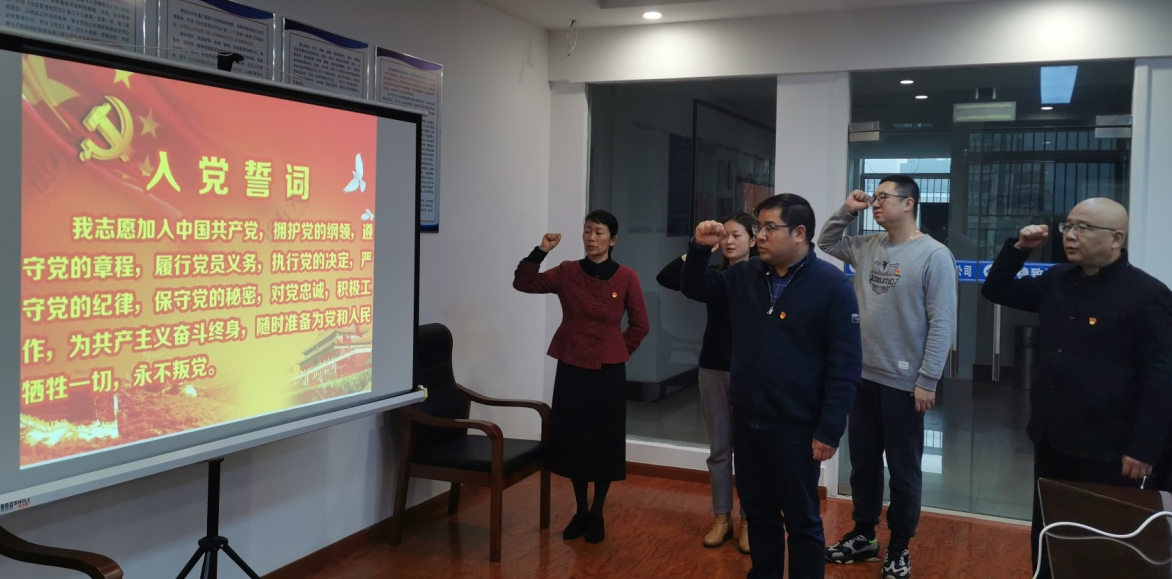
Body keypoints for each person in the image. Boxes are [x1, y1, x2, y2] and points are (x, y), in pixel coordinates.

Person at [980, 197, 1172, 579]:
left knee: (1102, 541)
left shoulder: (1147, 294)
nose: (1070, 235)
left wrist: (1143, 446)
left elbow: (1161, 375)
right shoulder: (1057, 279)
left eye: (1084, 227)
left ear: (1116, 238)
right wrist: (1019, 248)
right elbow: (996, 289)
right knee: (1049, 531)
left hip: (1109, 448)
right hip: (1052, 436)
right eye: (1068, 226)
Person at [681, 194, 862, 579]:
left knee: (801, 520)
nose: (759, 235)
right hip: (748, 422)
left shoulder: (832, 286)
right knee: (760, 513)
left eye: (769, 228)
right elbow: (695, 288)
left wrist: (830, 428)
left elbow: (845, 364)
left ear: (799, 233)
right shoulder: (745, 275)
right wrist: (698, 248)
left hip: (797, 427)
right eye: (759, 227)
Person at [817, 175, 957, 579]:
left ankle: (899, 546)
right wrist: (848, 210)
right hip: (861, 377)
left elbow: (942, 322)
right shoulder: (867, 245)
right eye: (874, 197)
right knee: (862, 464)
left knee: (903, 470)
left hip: (904, 384)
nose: (875, 203)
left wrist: (928, 379)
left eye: (883, 197)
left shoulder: (934, 255)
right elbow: (826, 242)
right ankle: (864, 535)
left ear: (909, 203)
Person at [513, 209, 650, 544]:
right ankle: (580, 510)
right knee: (574, 438)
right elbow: (523, 282)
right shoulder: (567, 271)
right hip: (572, 366)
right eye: (588, 231)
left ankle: (598, 511)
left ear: (612, 240)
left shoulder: (627, 276)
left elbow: (640, 324)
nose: (591, 238)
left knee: (603, 440)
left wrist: (619, 349)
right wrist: (541, 251)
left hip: (608, 371)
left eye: (599, 232)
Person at [656, 212, 757, 553]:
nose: (729, 241)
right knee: (719, 450)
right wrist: (700, 247)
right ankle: (721, 518)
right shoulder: (713, 276)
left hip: (750, 372)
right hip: (713, 368)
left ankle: (749, 521)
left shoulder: (764, 276)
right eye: (725, 235)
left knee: (749, 452)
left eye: (737, 235)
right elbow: (667, 277)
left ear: (753, 240)